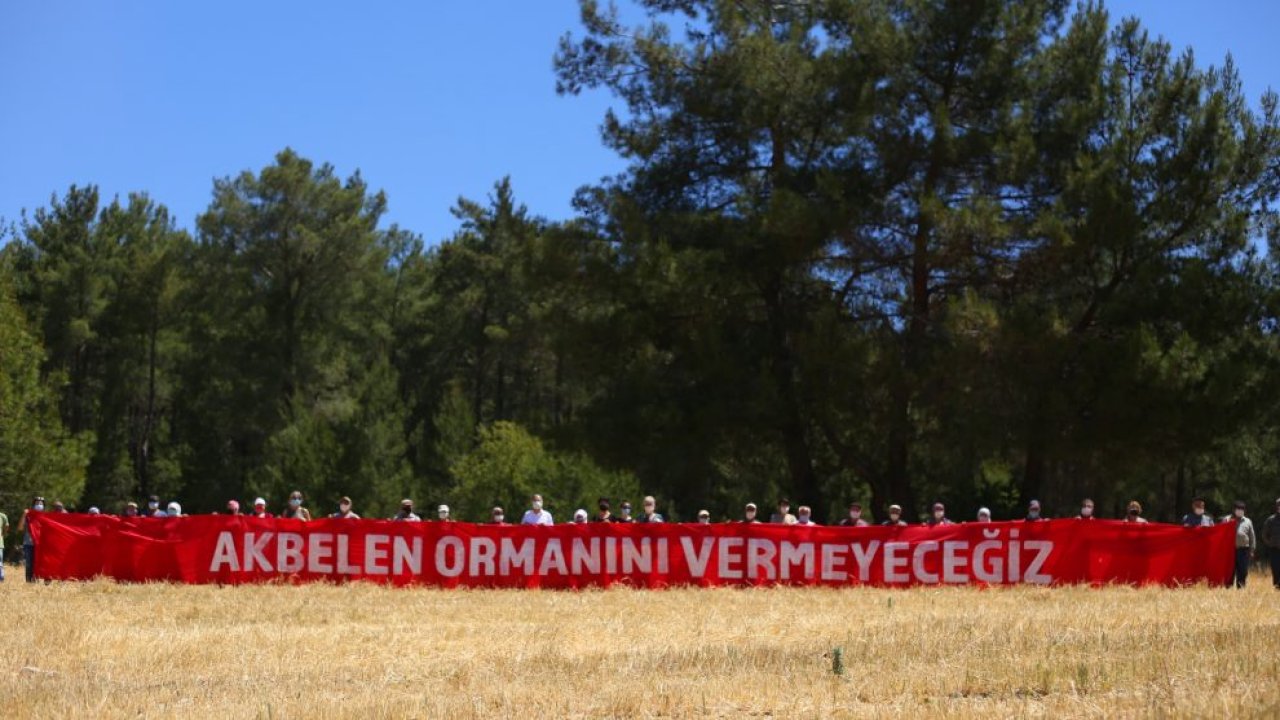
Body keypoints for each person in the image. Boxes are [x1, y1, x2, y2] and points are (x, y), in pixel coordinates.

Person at [16, 497, 43, 583]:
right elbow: (20, 528)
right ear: (33, 505)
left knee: (38, 563)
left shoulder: (45, 517)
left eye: (41, 504)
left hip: (40, 544)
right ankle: (29, 582)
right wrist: (24, 515)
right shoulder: (28, 516)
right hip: (28, 543)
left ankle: (36, 580)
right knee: (29, 564)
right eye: (37, 503)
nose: (39, 505)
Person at [1230, 501, 1256, 589]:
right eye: (1238, 509)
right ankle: (1227, 589)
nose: (1240, 511)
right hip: (1230, 550)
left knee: (1243, 571)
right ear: (1234, 510)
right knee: (1229, 571)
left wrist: (1252, 550)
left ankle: (1241, 589)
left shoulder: (1248, 521)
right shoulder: (1227, 519)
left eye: (1242, 509)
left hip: (1244, 550)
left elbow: (1252, 537)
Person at [1262, 498, 1280, 590]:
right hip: (1274, 550)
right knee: (1276, 569)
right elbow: (1264, 535)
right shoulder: (1270, 520)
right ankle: (1277, 588)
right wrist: (1270, 544)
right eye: (1279, 505)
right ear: (1276, 507)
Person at [0, 507, 8, 582]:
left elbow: (6, 526)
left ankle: (1, 577)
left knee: (0, 562)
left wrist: (3, 534)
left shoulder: (3, 516)